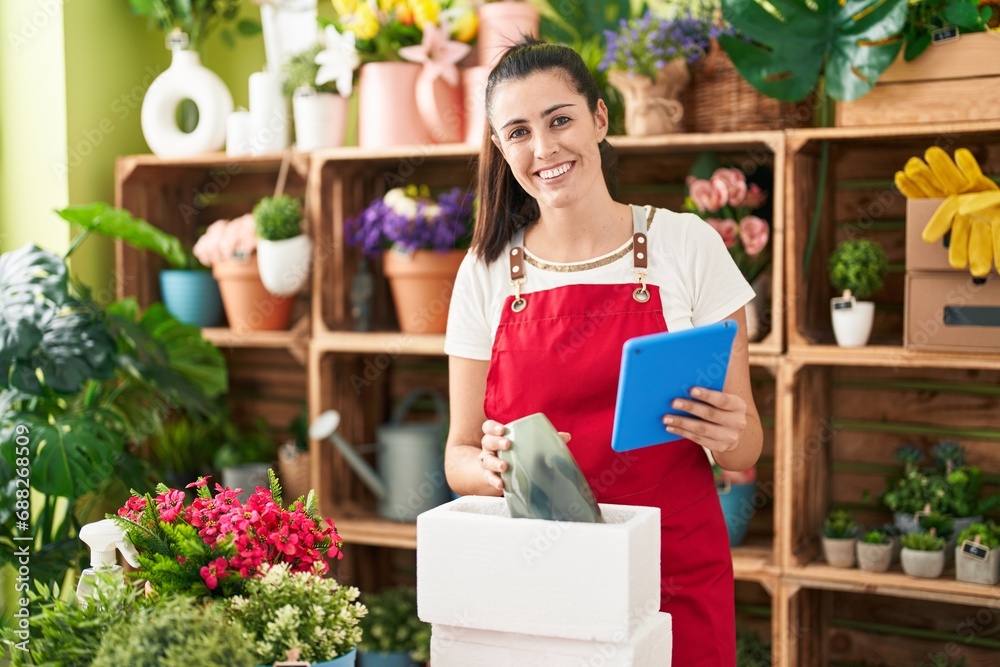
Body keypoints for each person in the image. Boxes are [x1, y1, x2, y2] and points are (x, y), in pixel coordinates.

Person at [443, 39, 763, 667]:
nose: (545, 149)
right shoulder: (484, 273)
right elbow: (457, 456)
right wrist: (494, 467)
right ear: (503, 150)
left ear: (599, 118)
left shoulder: (686, 244)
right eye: (519, 132)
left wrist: (725, 432)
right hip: (541, 580)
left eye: (560, 119)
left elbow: (747, 445)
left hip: (674, 569)